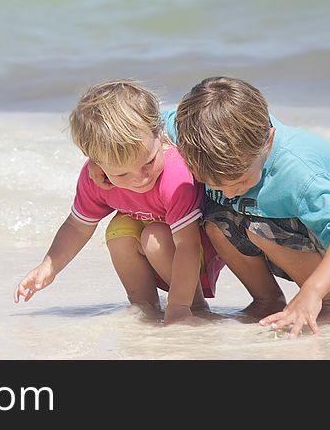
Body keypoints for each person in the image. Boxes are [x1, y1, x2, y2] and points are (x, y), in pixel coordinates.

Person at [167, 76, 330, 336]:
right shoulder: (188, 133)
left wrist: (313, 291)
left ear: (269, 141)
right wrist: (107, 165)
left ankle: (328, 304)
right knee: (216, 220)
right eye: (213, 184)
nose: (228, 192)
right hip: (277, 224)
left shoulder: (298, 173)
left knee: (257, 228)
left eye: (240, 181)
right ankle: (267, 300)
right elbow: (141, 123)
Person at [13, 80, 224, 325]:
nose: (140, 179)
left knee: (154, 237)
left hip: (192, 248)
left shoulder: (175, 175)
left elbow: (188, 245)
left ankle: (194, 306)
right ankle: (144, 308)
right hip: (159, 241)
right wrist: (49, 266)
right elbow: (78, 226)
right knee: (118, 232)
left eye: (149, 162)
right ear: (96, 164)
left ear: (159, 133)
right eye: (122, 174)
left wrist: (178, 307)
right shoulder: (97, 179)